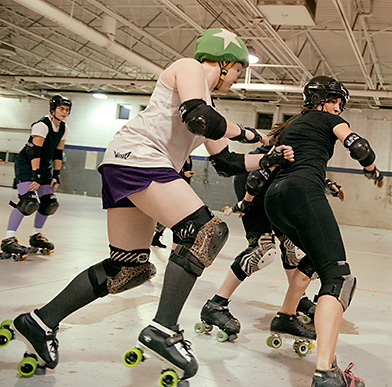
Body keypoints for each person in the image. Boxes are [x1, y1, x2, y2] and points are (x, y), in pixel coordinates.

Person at [6, 27, 293, 384]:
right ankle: (164, 329)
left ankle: (39, 321)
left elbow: (226, 162)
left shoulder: (206, 103)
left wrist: (267, 160)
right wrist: (252, 133)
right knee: (206, 230)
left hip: (129, 163)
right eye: (236, 70)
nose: (236, 78)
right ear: (222, 62)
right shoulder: (189, 68)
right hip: (139, 159)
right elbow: (198, 118)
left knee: (127, 269)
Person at [262, 76, 384, 386]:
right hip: (303, 193)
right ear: (326, 101)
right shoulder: (329, 118)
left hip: (275, 199)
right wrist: (372, 168)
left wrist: (327, 183)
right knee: (339, 276)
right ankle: (326, 374)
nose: (339, 108)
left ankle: (287, 317)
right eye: (337, 102)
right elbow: (358, 146)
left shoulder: (292, 125)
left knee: (316, 258)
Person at [198, 143, 344, 342]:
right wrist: (246, 202)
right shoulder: (305, 135)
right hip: (254, 182)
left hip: (276, 187)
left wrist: (329, 185)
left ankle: (297, 302)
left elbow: (307, 165)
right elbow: (256, 176)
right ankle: (216, 305)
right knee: (263, 249)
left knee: (292, 249)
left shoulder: (316, 141)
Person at [1, 95, 71, 261]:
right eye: (61, 109)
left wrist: (56, 175)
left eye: (67, 110)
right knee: (28, 202)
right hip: (27, 164)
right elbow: (35, 152)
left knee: (49, 203)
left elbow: (57, 153)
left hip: (44, 165)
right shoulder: (41, 125)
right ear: (53, 109)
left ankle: (35, 236)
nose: (65, 112)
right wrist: (35, 175)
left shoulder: (63, 128)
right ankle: (8, 239)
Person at [151, 156, 195, 248]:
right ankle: (158, 235)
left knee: (176, 216)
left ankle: (157, 236)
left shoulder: (188, 157)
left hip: (183, 188)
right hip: (174, 188)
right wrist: (184, 174)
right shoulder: (177, 156)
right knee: (174, 216)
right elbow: (171, 173)